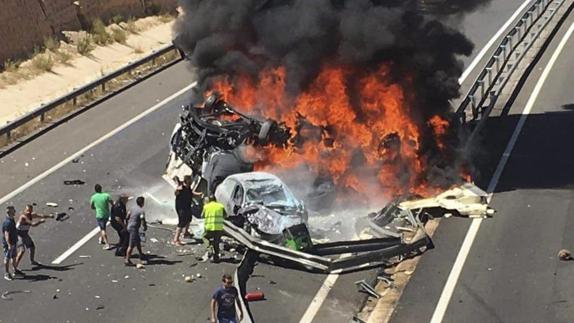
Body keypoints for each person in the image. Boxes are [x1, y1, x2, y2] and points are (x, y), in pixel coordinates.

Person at [173, 175, 199, 245]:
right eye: (189, 181)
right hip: (181, 208)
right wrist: (177, 189)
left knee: (189, 219)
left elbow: (191, 193)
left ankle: (186, 233)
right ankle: (176, 240)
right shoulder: (181, 188)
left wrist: (199, 194)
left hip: (187, 206)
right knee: (182, 222)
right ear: (186, 181)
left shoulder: (188, 187)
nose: (190, 183)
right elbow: (176, 193)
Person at [125, 196, 147, 266]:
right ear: (142, 203)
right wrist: (144, 226)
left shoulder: (132, 208)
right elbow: (142, 220)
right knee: (131, 245)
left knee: (137, 241)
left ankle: (140, 254)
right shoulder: (141, 211)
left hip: (129, 226)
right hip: (133, 228)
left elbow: (127, 216)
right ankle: (127, 259)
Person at [202, 195, 225, 263]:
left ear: (209, 200)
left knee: (205, 237)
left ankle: (210, 250)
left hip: (209, 227)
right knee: (216, 242)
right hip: (218, 227)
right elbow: (225, 215)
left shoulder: (206, 206)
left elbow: (202, 215)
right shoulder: (220, 206)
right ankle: (216, 257)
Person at [90, 184, 113, 250]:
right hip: (106, 214)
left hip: (99, 215)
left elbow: (92, 206)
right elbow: (112, 203)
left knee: (103, 229)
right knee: (103, 227)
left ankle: (107, 244)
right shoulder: (106, 195)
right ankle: (101, 239)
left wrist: (96, 207)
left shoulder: (93, 197)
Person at [3, 206, 23, 280]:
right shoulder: (7, 222)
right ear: (10, 212)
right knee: (7, 257)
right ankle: (7, 273)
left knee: (14, 256)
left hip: (13, 242)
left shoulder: (11, 219)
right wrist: (9, 244)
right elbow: (6, 234)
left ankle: (15, 270)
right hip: (9, 244)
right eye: (13, 211)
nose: (15, 211)